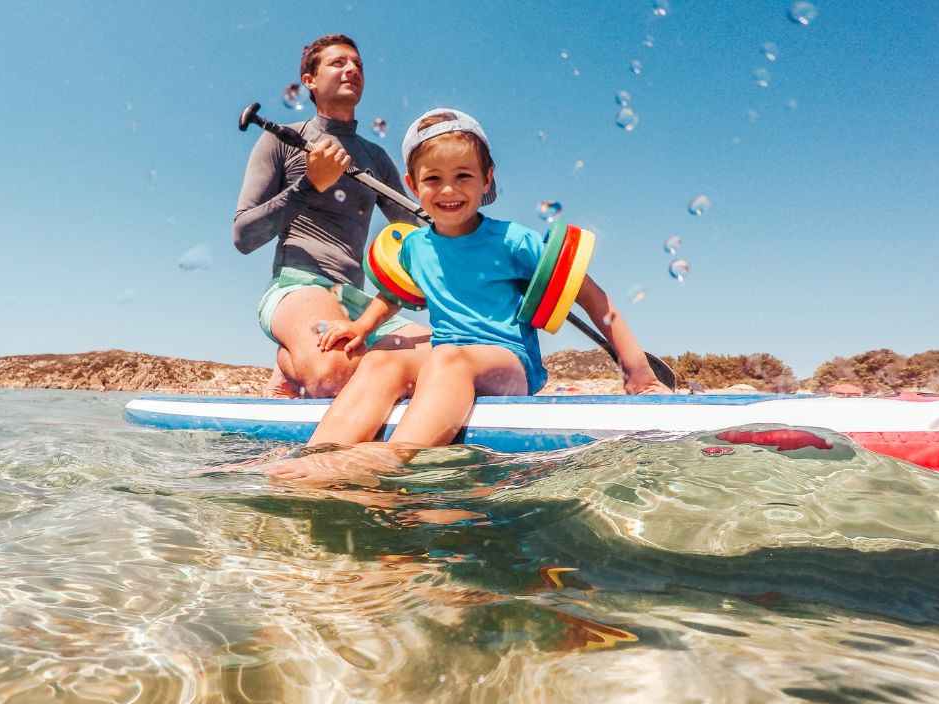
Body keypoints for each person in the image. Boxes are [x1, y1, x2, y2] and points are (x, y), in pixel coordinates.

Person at [268, 109, 669, 478]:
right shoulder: (415, 246)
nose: (448, 190)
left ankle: (387, 459)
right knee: (382, 361)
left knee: (447, 358)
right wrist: (361, 326)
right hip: (449, 357)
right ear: (412, 184)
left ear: (486, 178)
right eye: (433, 179)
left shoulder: (513, 240)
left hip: (510, 363)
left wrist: (638, 372)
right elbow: (394, 294)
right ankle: (316, 456)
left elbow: (591, 295)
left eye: (463, 176)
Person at [233, 34, 431, 399]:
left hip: (359, 303)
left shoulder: (377, 159)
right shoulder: (282, 139)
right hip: (297, 288)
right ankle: (293, 359)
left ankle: (321, 360)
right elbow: (243, 236)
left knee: (448, 363)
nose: (352, 69)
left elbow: (417, 233)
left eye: (357, 64)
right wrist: (310, 185)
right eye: (338, 63)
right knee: (336, 373)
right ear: (309, 80)